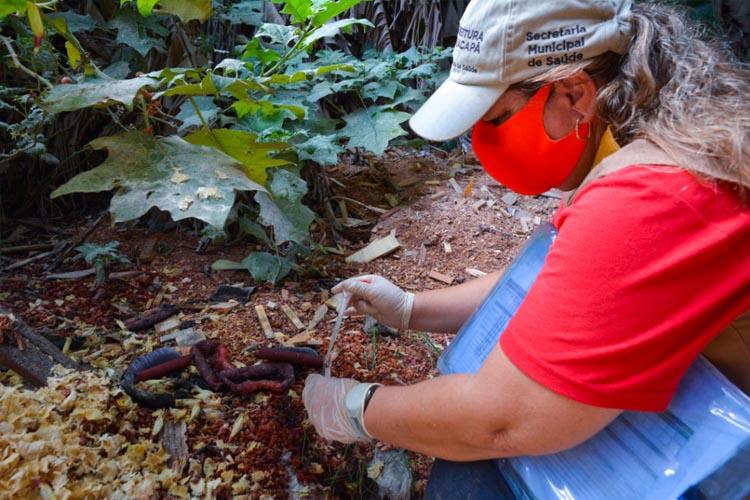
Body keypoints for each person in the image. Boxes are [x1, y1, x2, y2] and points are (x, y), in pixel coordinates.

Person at [303, 0, 750, 496]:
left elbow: (501, 420)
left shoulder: (653, 196)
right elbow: (572, 282)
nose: (482, 142)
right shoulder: (659, 134)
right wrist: (411, 309)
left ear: (574, 92)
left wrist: (356, 408)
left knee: (468, 480)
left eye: (496, 120)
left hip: (725, 458)